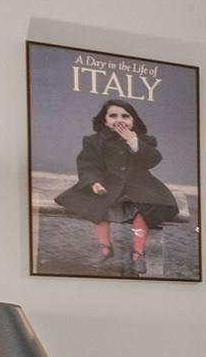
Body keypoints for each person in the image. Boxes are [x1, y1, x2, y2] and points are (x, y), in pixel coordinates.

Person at [53, 99, 180, 272]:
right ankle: (105, 247)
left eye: (125, 116)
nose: (119, 120)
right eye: (113, 116)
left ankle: (137, 253)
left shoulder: (145, 140)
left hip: (140, 184)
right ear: (105, 121)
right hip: (108, 184)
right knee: (97, 208)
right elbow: (88, 163)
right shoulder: (94, 141)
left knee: (144, 212)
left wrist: (134, 143)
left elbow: (153, 160)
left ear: (133, 121)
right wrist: (94, 182)